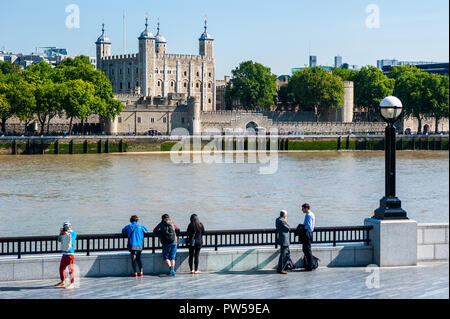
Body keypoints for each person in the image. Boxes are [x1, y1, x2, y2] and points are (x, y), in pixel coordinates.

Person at [55, 222, 77, 289]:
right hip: (64, 254)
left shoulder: (73, 233)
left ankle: (72, 283)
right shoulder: (63, 233)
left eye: (68, 226)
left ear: (70, 226)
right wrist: (61, 233)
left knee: (70, 270)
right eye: (65, 227)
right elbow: (59, 240)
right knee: (61, 268)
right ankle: (63, 281)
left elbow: (72, 241)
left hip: (70, 254)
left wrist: (68, 234)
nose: (67, 228)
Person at [300, 203, 316, 271]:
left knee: (307, 249)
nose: (302, 210)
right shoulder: (311, 214)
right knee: (306, 249)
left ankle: (310, 265)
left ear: (306, 208)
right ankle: (310, 265)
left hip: (307, 233)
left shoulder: (308, 215)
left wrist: (302, 227)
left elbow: (308, 226)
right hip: (309, 233)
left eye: (303, 208)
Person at [276, 210, 291, 274]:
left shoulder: (277, 219)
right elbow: (288, 228)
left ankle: (283, 267)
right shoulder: (282, 221)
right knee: (283, 255)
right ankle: (280, 269)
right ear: (284, 215)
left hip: (283, 239)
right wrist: (285, 221)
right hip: (284, 239)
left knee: (287, 254)